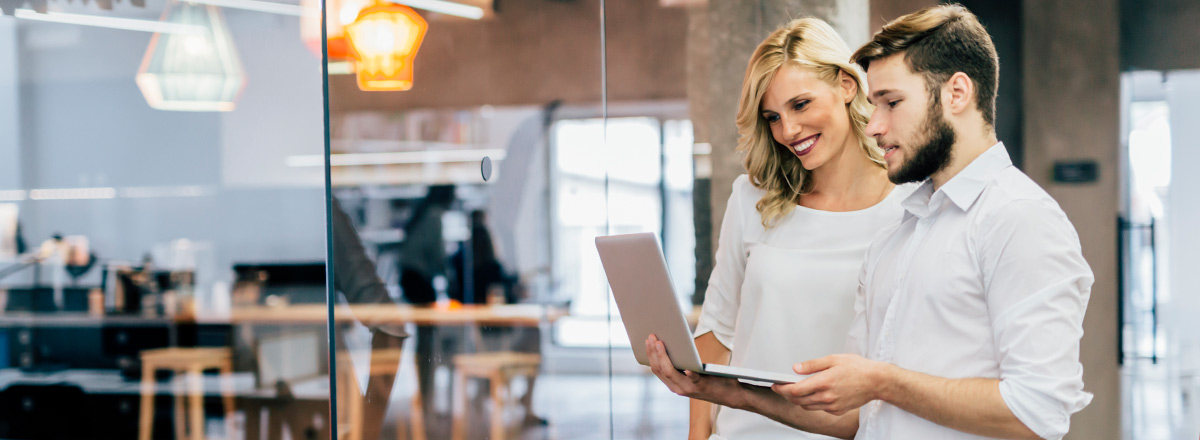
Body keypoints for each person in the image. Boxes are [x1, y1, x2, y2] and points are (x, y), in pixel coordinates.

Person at [646, 5, 1094, 440]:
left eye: (891, 102)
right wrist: (728, 392)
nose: (875, 124)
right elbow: (858, 416)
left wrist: (882, 382)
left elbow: (1039, 410)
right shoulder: (908, 226)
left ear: (957, 93)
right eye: (875, 102)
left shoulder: (1020, 218)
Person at [661, 18, 913, 440]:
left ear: (847, 86)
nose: (788, 131)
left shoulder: (908, 206)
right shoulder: (752, 198)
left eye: (800, 105)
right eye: (772, 116)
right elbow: (717, 331)